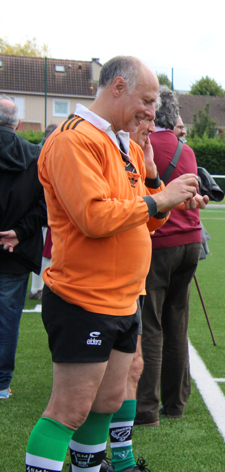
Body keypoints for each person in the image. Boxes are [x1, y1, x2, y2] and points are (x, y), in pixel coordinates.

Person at [25, 56, 208, 472]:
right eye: (146, 100)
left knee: (107, 402)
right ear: (118, 88)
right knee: (69, 410)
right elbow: (93, 218)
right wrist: (159, 198)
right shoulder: (74, 139)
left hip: (124, 299)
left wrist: (156, 182)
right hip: (83, 298)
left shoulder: (119, 141)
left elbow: (151, 221)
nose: (152, 112)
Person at [135, 86, 203, 427]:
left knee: (150, 325)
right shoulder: (185, 150)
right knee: (177, 324)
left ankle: (145, 407)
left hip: (158, 242)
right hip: (189, 243)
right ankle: (175, 403)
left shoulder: (141, 147)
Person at [100, 117, 156, 472]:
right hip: (98, 290)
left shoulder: (134, 154)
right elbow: (100, 216)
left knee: (133, 368)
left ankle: (122, 460)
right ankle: (86, 460)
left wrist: (151, 177)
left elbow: (150, 219)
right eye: (145, 118)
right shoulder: (98, 148)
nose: (151, 126)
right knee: (89, 389)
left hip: (130, 289)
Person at [0, 96, 46, 400]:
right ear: (17, 123)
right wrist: (18, 232)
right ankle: (2, 383)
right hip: (15, 252)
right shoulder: (35, 157)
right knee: (7, 318)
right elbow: (46, 205)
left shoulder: (34, 157)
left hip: (16, 249)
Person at [29, 124, 59, 301]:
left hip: (44, 209)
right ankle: (36, 288)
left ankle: (37, 287)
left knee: (47, 251)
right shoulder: (44, 155)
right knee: (45, 252)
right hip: (46, 210)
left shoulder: (40, 153)